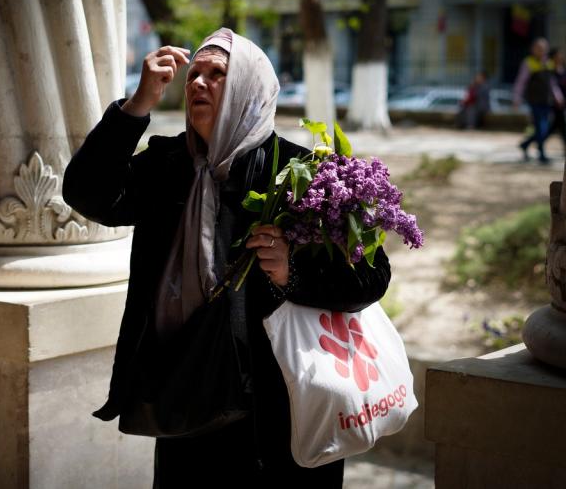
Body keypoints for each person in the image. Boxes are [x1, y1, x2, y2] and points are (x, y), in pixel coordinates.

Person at [63, 28, 390, 487]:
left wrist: (290, 271)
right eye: (194, 73)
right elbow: (87, 194)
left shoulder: (305, 174)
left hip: (276, 415)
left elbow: (371, 278)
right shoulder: (169, 164)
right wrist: (136, 106)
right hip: (185, 398)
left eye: (218, 74)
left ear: (249, 89)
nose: (198, 82)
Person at [514, 37, 564, 163]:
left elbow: (552, 83)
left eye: (543, 49)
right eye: (538, 48)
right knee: (541, 127)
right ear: (533, 49)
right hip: (534, 101)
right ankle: (541, 154)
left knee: (544, 128)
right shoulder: (528, 63)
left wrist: (558, 97)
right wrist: (517, 98)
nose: (541, 51)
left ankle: (525, 144)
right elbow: (521, 82)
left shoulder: (549, 63)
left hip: (547, 101)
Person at [546, 47, 566, 149]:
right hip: (557, 102)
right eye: (557, 56)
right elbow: (553, 86)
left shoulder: (562, 69)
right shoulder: (551, 70)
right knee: (562, 126)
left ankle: (527, 143)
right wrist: (558, 98)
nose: (560, 57)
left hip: (563, 102)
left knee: (555, 126)